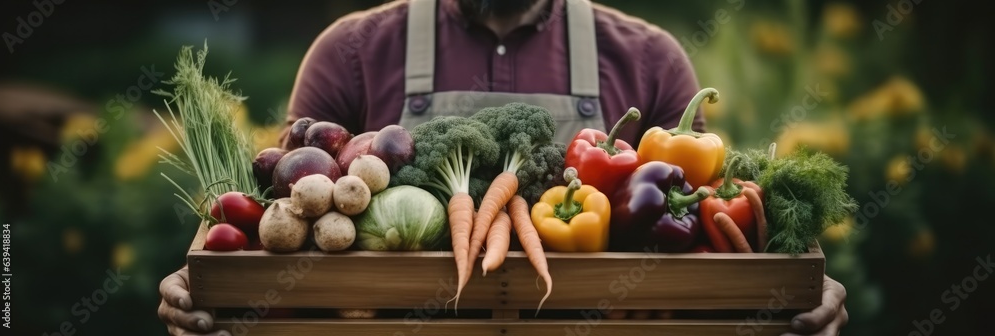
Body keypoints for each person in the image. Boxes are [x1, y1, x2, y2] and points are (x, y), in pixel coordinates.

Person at [158, 0, 849, 335]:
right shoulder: (350, 54)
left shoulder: (650, 61)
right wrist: (212, 285)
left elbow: (709, 237)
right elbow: (282, 223)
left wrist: (787, 290)